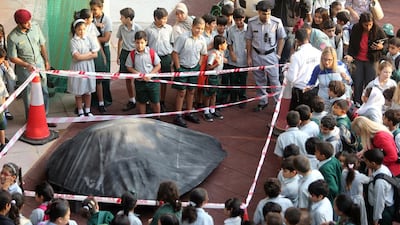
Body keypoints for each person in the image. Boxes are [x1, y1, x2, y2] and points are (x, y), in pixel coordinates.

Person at [7, 9, 55, 127]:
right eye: (26, 22)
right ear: (18, 23)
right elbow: (12, 57)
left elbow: (42, 44)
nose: (29, 24)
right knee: (28, 96)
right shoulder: (12, 37)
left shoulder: (35, 27)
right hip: (25, 70)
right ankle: (31, 121)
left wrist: (46, 61)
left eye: (30, 21)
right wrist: (26, 65)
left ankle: (44, 118)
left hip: (39, 65)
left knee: (44, 91)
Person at [246, 0, 286, 112]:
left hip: (271, 55)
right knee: (259, 80)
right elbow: (249, 39)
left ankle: (278, 104)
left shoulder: (276, 22)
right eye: (264, 14)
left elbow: (282, 38)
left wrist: (278, 54)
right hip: (256, 54)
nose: (267, 16)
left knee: (274, 81)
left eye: (268, 13)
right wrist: (249, 56)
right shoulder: (251, 22)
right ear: (258, 12)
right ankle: (263, 101)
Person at [344, 11, 387, 105]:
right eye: (365, 25)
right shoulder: (356, 28)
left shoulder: (378, 30)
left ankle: (369, 102)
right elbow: (352, 44)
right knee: (357, 82)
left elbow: (386, 43)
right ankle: (357, 102)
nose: (368, 27)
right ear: (361, 23)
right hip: (358, 59)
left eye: (370, 24)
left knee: (370, 83)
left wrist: (381, 47)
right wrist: (350, 55)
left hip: (372, 60)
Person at [172, 17, 207, 128]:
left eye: (202, 29)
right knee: (181, 92)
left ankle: (189, 112)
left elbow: (203, 53)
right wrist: (178, 68)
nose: (199, 31)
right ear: (192, 26)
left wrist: (199, 65)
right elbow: (175, 53)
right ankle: (177, 115)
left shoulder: (202, 40)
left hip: (194, 68)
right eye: (197, 28)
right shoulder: (183, 38)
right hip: (182, 68)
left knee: (191, 91)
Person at [67, 19, 99, 117]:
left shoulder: (89, 38)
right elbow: (77, 57)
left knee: (88, 90)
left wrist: (84, 56)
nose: (82, 31)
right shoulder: (73, 41)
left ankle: (88, 110)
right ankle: (80, 110)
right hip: (78, 67)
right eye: (79, 29)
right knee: (79, 90)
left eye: (84, 29)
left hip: (89, 67)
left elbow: (95, 54)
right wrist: (89, 53)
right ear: (75, 30)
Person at [125, 31, 161, 116]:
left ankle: (158, 118)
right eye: (137, 43)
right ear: (134, 42)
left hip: (152, 82)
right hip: (140, 82)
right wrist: (138, 74)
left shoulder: (151, 52)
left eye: (142, 43)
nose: (140, 45)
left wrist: (150, 74)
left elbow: (158, 65)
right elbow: (129, 67)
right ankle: (143, 118)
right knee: (141, 101)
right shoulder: (132, 54)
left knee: (155, 101)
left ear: (146, 42)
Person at [145, 7, 173, 113]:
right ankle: (150, 101)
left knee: (164, 81)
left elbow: (172, 43)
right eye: (163, 19)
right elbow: (146, 45)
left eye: (166, 18)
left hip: (165, 57)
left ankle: (162, 101)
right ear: (156, 18)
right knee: (151, 80)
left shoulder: (169, 29)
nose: (165, 21)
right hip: (152, 59)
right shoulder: (148, 30)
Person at [305, 47, 351, 111]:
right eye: (325, 59)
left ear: (334, 59)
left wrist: (347, 78)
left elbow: (349, 82)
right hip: (323, 100)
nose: (327, 62)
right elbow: (311, 82)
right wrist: (307, 87)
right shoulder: (318, 68)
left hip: (338, 100)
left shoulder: (341, 66)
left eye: (329, 60)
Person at [287, 28, 321, 110]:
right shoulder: (318, 53)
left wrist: (286, 71)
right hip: (315, 90)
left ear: (297, 41)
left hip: (300, 92)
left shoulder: (296, 56)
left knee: (295, 118)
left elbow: (291, 78)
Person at [116, 7, 142, 112]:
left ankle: (143, 100)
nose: (120, 18)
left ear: (128, 18)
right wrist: (118, 55)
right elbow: (120, 40)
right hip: (125, 53)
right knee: (127, 78)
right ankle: (132, 100)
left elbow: (142, 42)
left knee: (138, 77)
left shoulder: (138, 28)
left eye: (122, 17)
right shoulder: (121, 28)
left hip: (135, 53)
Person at [89, 0, 113, 111]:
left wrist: (92, 38)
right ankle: (94, 100)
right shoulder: (90, 20)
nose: (93, 12)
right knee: (93, 75)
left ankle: (106, 100)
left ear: (101, 8)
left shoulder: (107, 20)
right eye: (91, 10)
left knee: (104, 75)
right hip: (93, 50)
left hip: (104, 48)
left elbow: (106, 38)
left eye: (95, 10)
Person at [364, 149, 395, 225]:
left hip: (383, 213)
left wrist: (376, 219)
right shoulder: (383, 168)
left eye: (366, 161)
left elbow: (379, 202)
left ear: (373, 163)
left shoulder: (380, 183)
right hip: (384, 209)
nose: (365, 162)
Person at [227, 8, 248, 108]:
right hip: (234, 60)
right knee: (233, 80)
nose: (239, 22)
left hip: (244, 60)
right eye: (236, 20)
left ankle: (242, 98)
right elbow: (229, 43)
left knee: (243, 81)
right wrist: (232, 54)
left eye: (241, 19)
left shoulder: (248, 29)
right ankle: (233, 98)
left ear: (244, 18)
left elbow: (250, 43)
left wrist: (249, 56)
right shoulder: (231, 30)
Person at [340, 153, 369, 225]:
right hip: (357, 202)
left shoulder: (343, 173)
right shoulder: (360, 176)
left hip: (346, 200)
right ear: (358, 164)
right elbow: (369, 179)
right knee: (360, 220)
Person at [203, 35, 226, 122]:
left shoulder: (221, 53)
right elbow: (208, 67)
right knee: (208, 94)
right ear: (220, 45)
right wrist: (217, 64)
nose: (226, 45)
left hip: (217, 76)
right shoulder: (213, 54)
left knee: (214, 94)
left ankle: (212, 110)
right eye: (225, 43)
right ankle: (206, 111)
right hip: (211, 77)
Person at [0, 48, 15, 149]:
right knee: (1, 123)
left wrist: (8, 67)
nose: (2, 60)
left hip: (2, 96)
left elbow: (13, 77)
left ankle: (2, 139)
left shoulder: (2, 66)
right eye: (1, 59)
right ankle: (2, 144)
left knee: (2, 119)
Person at [0, 25, 15, 121]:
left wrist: (7, 64)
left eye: (1, 33)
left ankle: (6, 110)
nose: (0, 35)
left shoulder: (4, 42)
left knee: (8, 89)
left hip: (5, 66)